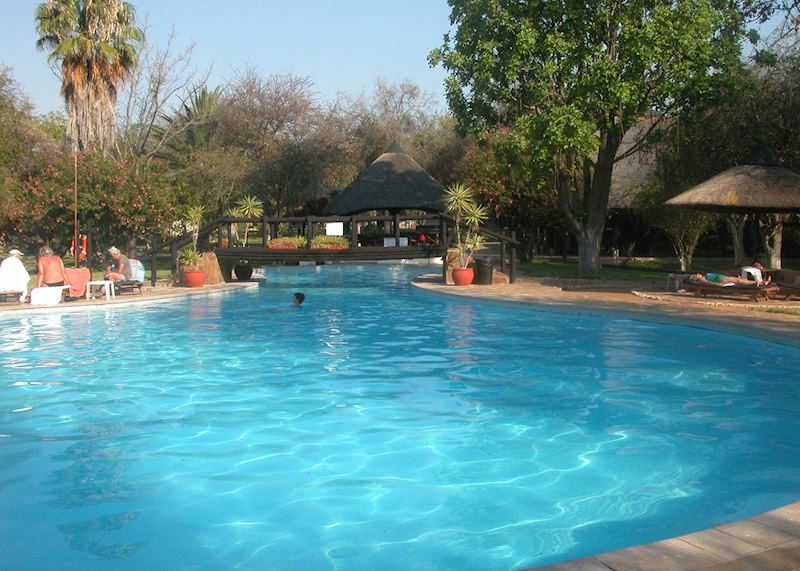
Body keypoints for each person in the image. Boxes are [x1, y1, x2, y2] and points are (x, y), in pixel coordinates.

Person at [689, 272, 770, 287]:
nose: (698, 274)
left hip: (722, 278)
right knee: (739, 281)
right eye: (696, 275)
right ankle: (760, 282)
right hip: (721, 280)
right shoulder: (702, 280)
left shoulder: (702, 277)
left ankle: (761, 282)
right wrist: (719, 285)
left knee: (740, 280)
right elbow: (710, 284)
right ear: (696, 278)